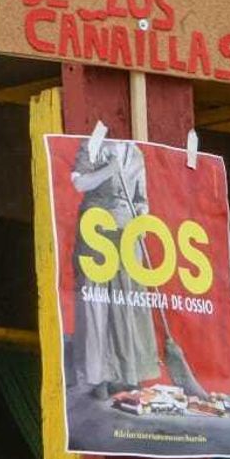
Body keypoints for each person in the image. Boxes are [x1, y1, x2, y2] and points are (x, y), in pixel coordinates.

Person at [68, 138, 161, 399]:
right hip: (97, 227)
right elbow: (78, 183)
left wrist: (142, 214)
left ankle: (127, 374)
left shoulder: (136, 153)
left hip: (128, 232)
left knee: (128, 300)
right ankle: (97, 376)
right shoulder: (94, 144)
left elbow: (141, 198)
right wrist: (109, 170)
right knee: (97, 300)